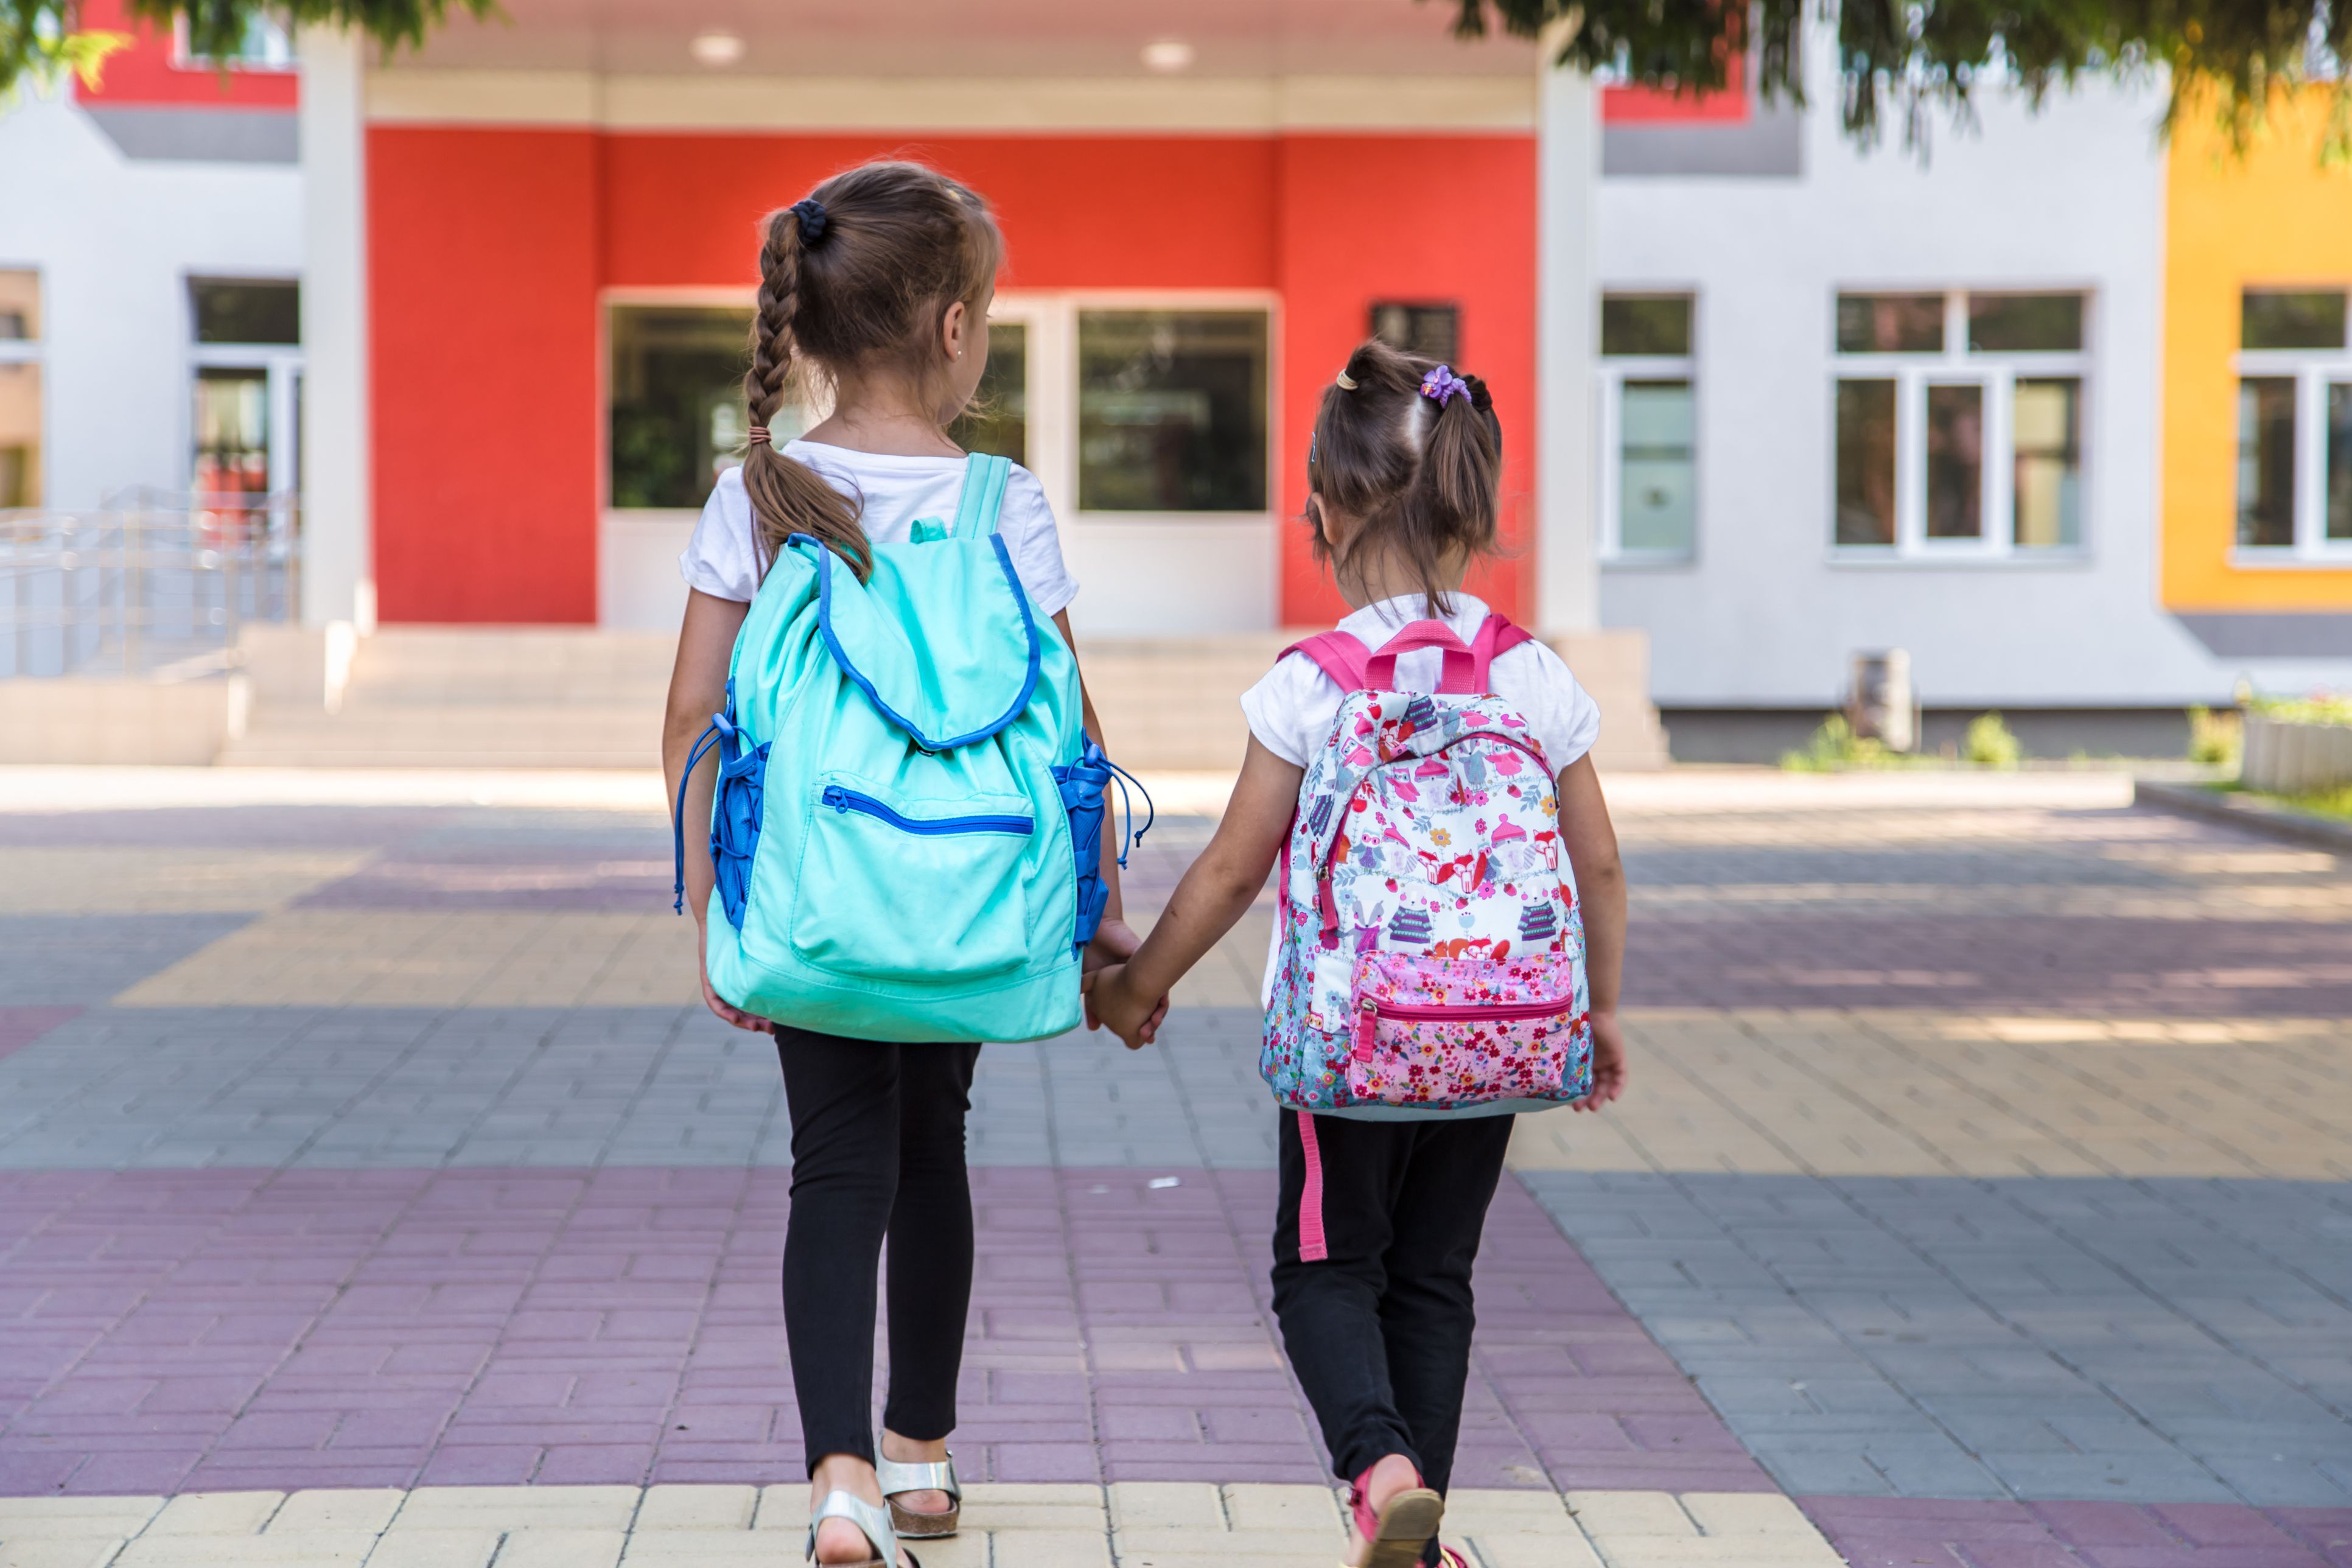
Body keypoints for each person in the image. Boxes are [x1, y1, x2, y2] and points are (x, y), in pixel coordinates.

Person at [660, 160, 1144, 1568]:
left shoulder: (759, 490)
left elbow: (696, 714)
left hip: (813, 896)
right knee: (938, 1146)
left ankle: (840, 1483)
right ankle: (925, 1452)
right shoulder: (1004, 499)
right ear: (951, 328)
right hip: (976, 896)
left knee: (836, 1166)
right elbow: (1069, 719)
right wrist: (1098, 904)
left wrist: (713, 913)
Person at [1088, 338, 1630, 1568]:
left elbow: (1232, 864)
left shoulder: (1316, 683)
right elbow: (1598, 862)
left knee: (1325, 1270)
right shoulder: (1531, 674)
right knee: (1435, 1277)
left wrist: (1135, 986)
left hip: (1359, 1043)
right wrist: (1594, 1013)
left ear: (1325, 517)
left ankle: (1381, 1470)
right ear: (1471, 508)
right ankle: (1422, 1532)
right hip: (1498, 1041)